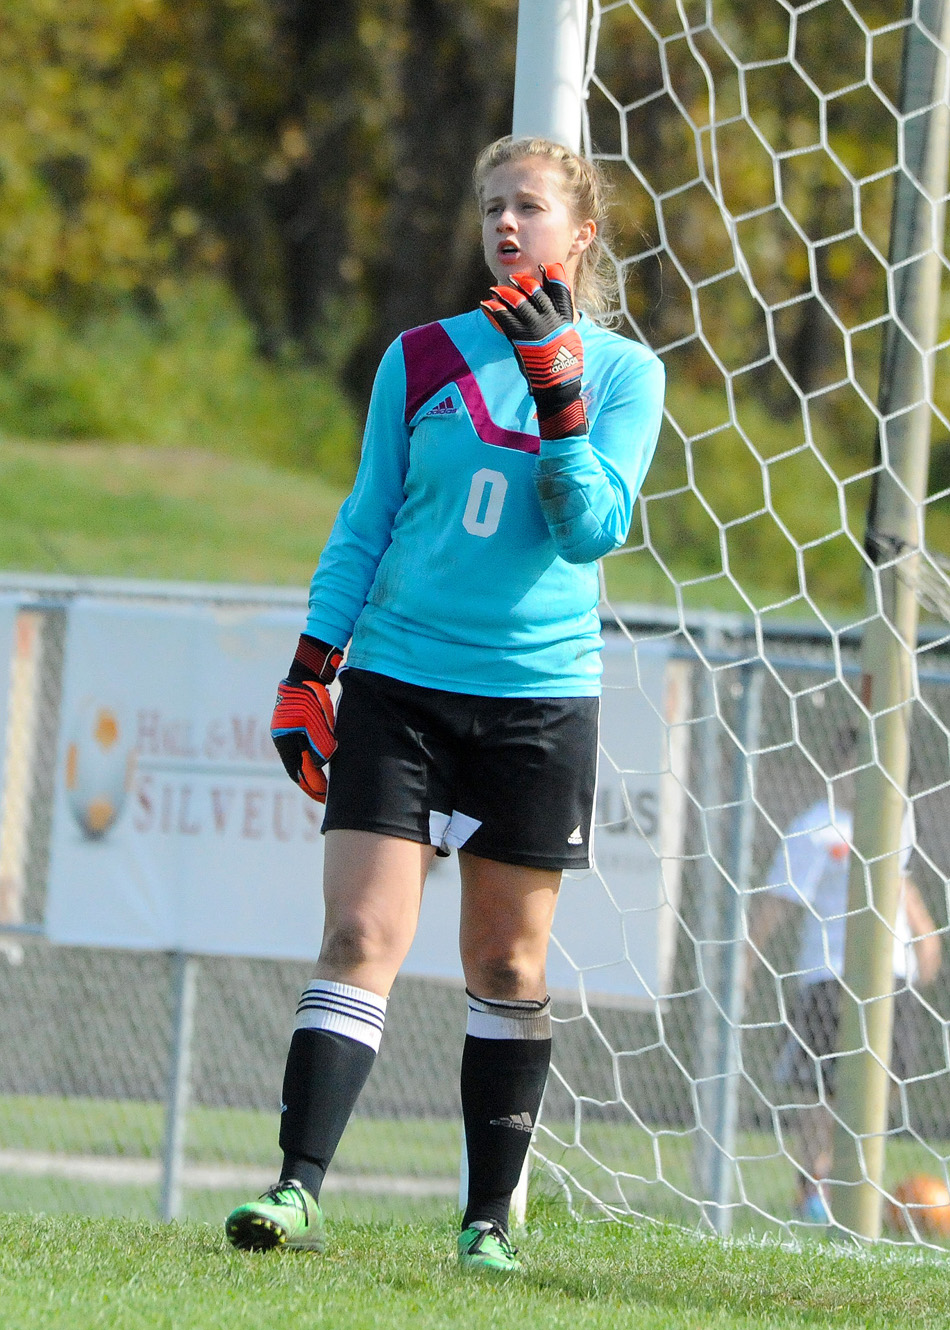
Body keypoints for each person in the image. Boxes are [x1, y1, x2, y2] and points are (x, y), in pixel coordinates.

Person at [224, 134, 665, 1272]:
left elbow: (590, 531)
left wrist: (557, 387)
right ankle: (292, 1191)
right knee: (360, 929)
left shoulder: (623, 373)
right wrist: (309, 666)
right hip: (399, 681)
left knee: (508, 968)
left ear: (583, 233)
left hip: (536, 699)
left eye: (527, 208)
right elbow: (364, 519)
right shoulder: (418, 359)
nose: (505, 227)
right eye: (489, 210)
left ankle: (483, 1225)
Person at [748, 768, 941, 1224]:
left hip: (892, 977)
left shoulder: (897, 821)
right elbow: (779, 900)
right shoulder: (816, 827)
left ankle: (857, 1180)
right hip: (831, 974)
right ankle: (813, 1188)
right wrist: (747, 960)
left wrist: (925, 937)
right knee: (827, 1088)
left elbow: (899, 881)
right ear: (843, 769)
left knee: (887, 1081)